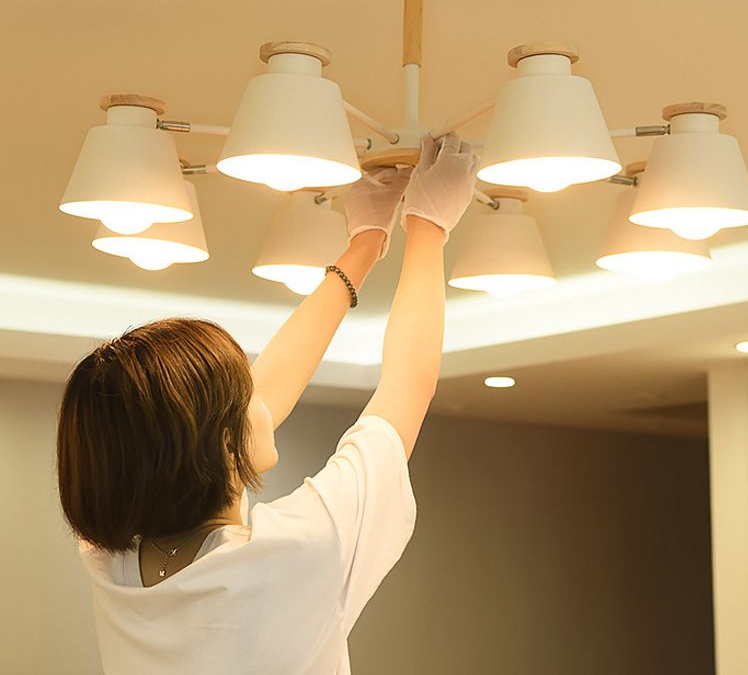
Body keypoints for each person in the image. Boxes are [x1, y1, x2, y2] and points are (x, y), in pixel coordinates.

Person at [57, 133, 479, 675]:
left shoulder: (112, 565)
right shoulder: (302, 549)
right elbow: (407, 384)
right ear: (220, 442)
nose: (259, 398)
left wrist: (366, 244)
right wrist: (429, 227)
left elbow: (238, 407)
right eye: (243, 396)